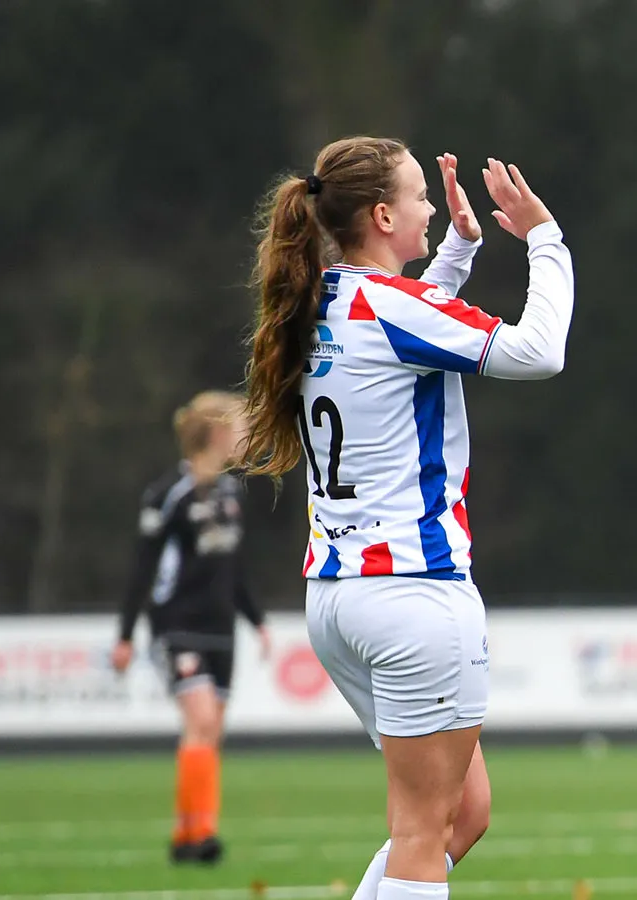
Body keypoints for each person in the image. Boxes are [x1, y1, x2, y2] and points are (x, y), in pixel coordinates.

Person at [241, 138, 573, 900]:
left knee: (462, 816)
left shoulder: (318, 297)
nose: (433, 204)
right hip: (414, 595)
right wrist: (546, 241)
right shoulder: (391, 307)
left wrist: (456, 247)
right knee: (424, 832)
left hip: (339, 601)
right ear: (384, 214)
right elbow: (539, 350)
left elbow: (405, 334)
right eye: (421, 194)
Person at [114, 390, 271, 865]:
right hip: (177, 626)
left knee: (210, 731)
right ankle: (199, 833)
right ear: (217, 431)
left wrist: (257, 621)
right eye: (241, 426)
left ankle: (190, 836)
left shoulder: (228, 492)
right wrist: (125, 634)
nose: (246, 436)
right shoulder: (168, 494)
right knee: (201, 720)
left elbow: (234, 569)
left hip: (221, 628)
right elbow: (143, 569)